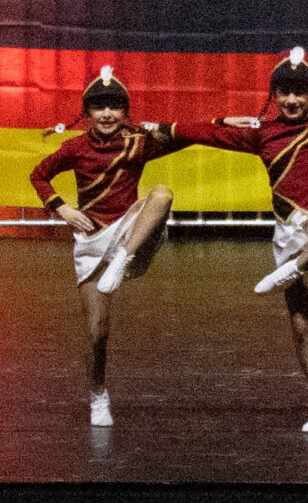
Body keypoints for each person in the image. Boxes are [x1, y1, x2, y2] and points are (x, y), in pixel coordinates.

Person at [158, 48, 308, 432]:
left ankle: (293, 268)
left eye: (300, 92)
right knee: (303, 325)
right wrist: (212, 120)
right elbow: (203, 133)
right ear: (274, 95)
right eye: (284, 92)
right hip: (291, 233)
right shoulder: (262, 133)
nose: (292, 100)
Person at [28, 66, 189, 426]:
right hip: (92, 241)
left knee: (162, 194)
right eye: (99, 107)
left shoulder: (138, 143)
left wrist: (224, 124)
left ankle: (124, 258)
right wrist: (63, 209)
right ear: (87, 112)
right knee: (96, 332)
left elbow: (188, 135)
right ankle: (98, 393)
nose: (106, 114)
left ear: (125, 111)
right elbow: (39, 175)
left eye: (114, 106)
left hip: (130, 232)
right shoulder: (75, 148)